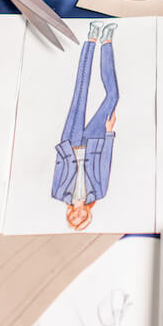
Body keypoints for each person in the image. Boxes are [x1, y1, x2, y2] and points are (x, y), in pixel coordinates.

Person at [52, 21, 119, 231]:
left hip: (71, 142)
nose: (79, 214)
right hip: (94, 142)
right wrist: (109, 134)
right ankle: (106, 41)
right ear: (88, 214)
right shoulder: (99, 192)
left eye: (75, 218)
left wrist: (66, 148)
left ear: (70, 214)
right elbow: (105, 164)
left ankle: (91, 39)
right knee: (113, 96)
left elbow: (60, 165)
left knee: (80, 92)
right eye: (83, 218)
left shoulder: (58, 193)